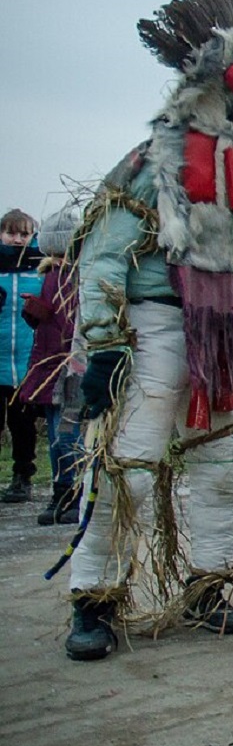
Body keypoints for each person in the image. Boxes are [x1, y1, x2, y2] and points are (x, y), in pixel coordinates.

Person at [62, 0, 233, 661]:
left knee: (222, 467)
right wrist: (103, 346)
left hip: (220, 341)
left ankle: (206, 587)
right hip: (156, 328)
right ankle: (94, 599)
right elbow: (102, 255)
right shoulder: (151, 161)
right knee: (131, 465)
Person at [18, 208, 85, 525]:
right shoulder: (50, 277)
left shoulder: (77, 278)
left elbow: (75, 326)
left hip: (72, 367)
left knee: (67, 432)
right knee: (57, 434)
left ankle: (73, 491)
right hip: (51, 365)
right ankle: (61, 491)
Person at [1, 209, 43, 503]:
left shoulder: (41, 268)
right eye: (11, 233)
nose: (17, 240)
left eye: (24, 234)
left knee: (23, 424)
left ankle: (22, 477)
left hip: (28, 361)